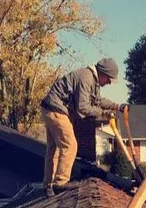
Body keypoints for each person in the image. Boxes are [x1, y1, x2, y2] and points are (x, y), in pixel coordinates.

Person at [41, 58, 128, 197]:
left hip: (49, 108)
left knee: (54, 148)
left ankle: (48, 185)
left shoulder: (92, 80)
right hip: (56, 110)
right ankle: (60, 183)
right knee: (70, 145)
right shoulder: (86, 78)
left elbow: (97, 100)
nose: (109, 83)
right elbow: (83, 107)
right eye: (109, 80)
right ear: (103, 74)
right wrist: (103, 113)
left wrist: (117, 106)